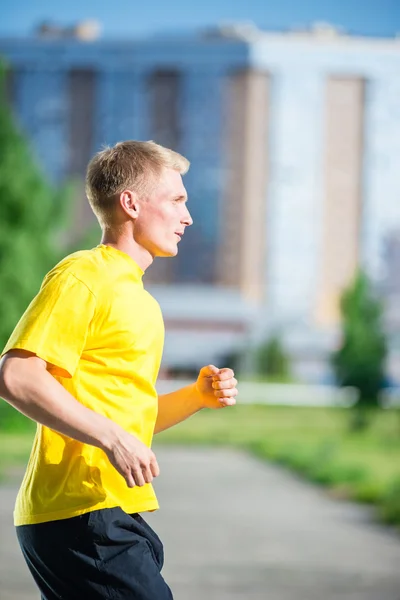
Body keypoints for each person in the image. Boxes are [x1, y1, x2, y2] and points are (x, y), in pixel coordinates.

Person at [0, 140, 238, 600]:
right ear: (130, 203)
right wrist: (111, 439)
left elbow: (130, 420)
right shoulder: (85, 275)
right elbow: (16, 376)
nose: (187, 217)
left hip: (111, 510)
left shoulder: (138, 297)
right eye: (176, 200)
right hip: (79, 511)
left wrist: (196, 398)